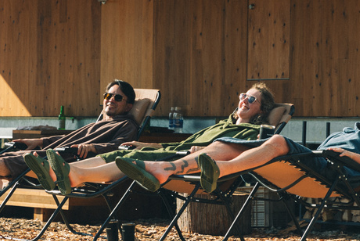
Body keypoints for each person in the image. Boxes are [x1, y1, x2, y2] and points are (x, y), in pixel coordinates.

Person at [115, 83, 360, 194]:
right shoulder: (347, 132)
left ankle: (216, 171)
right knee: (226, 145)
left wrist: (349, 157)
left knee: (276, 143)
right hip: (317, 163)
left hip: (338, 174)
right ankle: (164, 170)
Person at [24, 83, 277, 195]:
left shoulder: (251, 134)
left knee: (133, 158)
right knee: (122, 152)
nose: (244, 100)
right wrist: (147, 143)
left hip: (187, 163)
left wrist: (205, 150)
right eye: (244, 95)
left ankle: (77, 176)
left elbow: (227, 153)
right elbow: (181, 144)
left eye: (252, 99)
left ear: (261, 110)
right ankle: (62, 171)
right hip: (177, 152)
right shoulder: (222, 124)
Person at [0, 80, 139, 185]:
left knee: (29, 159)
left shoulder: (126, 125)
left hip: (76, 158)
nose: (110, 100)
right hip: (63, 147)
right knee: (13, 153)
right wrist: (40, 141)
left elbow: (121, 148)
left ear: (128, 106)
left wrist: (92, 146)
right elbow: (67, 137)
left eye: (118, 98)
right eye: (108, 95)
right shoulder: (99, 121)